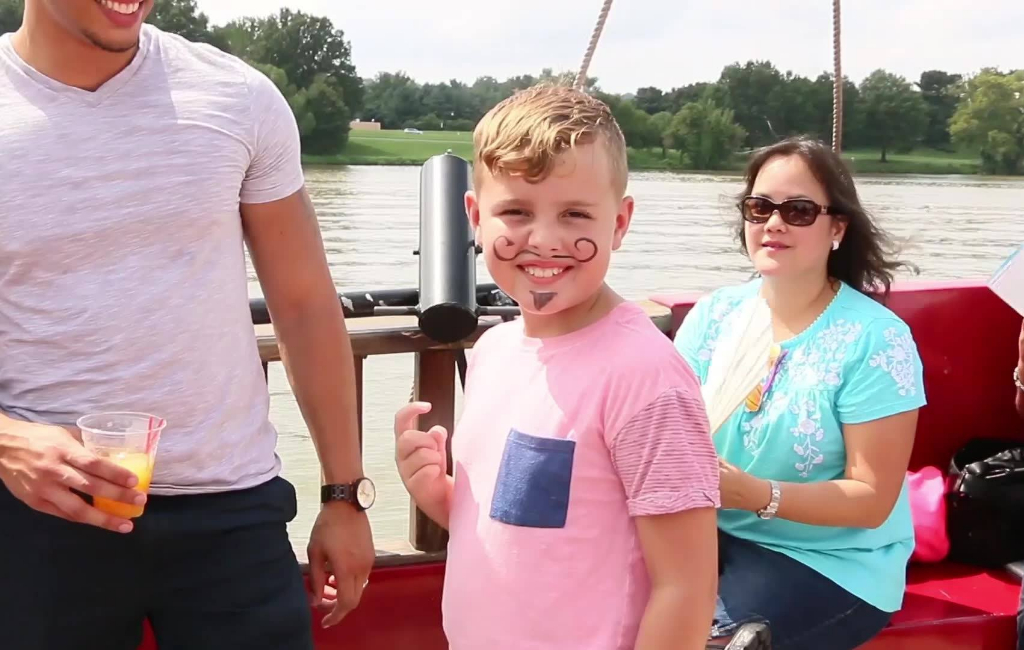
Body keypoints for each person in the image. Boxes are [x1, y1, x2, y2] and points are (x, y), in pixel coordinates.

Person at [0, 2, 374, 649]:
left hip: (232, 513)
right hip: (36, 516)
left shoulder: (239, 98)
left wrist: (344, 494)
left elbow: (306, 303)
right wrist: (7, 444)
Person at [393, 85, 720, 650]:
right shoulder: (494, 351)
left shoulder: (645, 378)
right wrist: (437, 493)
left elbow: (685, 585)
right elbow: (525, 529)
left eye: (575, 215)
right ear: (474, 217)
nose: (544, 241)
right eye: (516, 211)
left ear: (619, 223)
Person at [674, 137, 927, 650]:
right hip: (709, 534)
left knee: (707, 641)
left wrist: (756, 495)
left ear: (837, 228)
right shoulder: (714, 316)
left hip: (832, 563)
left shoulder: (876, 340)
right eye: (759, 206)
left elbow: (871, 499)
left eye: (799, 210)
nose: (774, 222)